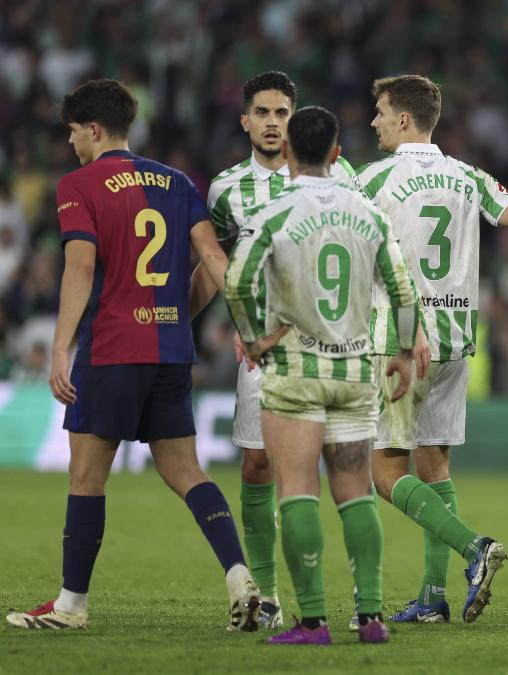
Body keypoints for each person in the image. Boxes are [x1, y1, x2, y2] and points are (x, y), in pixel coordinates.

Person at [6, 79, 261, 631]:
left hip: (113, 349)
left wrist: (59, 345)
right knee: (186, 471)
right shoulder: (176, 182)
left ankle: (71, 605)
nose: (71, 142)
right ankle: (239, 574)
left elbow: (79, 267)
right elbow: (213, 259)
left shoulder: (78, 185)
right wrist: (247, 323)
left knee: (86, 476)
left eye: (73, 131)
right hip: (171, 351)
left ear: (94, 129)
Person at [356, 74, 508, 625]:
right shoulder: (469, 177)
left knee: (386, 472)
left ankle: (474, 549)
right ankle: (431, 598)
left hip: (399, 341)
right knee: (435, 464)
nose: (373, 121)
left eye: (380, 111)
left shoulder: (372, 181)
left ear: (402, 119)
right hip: (456, 341)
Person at [225, 106, 419, 645]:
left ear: (286, 152)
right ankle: (372, 617)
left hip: (296, 375)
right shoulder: (368, 211)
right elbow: (403, 290)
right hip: (357, 373)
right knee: (356, 492)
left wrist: (255, 338)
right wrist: (403, 352)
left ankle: (311, 622)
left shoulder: (274, 211)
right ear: (337, 154)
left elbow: (238, 282)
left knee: (297, 491)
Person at [204, 70, 360, 630]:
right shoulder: (225, 191)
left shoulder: (339, 176)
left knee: (343, 470)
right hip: (262, 350)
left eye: (282, 113)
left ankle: (360, 601)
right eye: (263, 114)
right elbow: (217, 261)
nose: (273, 124)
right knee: (256, 466)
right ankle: (265, 595)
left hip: (334, 343)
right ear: (245, 121)